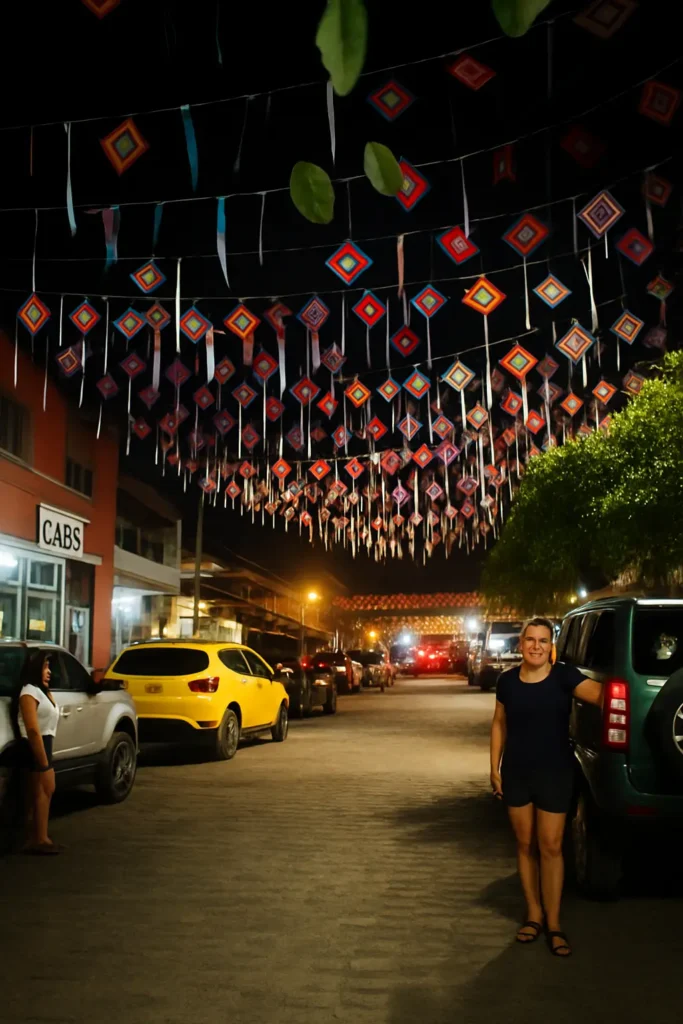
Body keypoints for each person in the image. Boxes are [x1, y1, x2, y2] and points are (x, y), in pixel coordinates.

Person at [489, 617, 602, 957]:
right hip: (518, 772)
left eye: (543, 640)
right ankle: (533, 913)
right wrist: (494, 768)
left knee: (551, 846)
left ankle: (554, 923)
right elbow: (498, 723)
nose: (536, 646)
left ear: (551, 645)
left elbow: (603, 696)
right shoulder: (507, 682)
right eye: (530, 640)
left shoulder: (564, 676)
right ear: (520, 644)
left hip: (555, 772)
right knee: (525, 845)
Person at [17, 651, 61, 855]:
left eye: (49, 667)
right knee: (42, 789)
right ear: (35, 668)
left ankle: (38, 837)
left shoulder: (41, 691)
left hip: (45, 743)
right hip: (35, 746)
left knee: (43, 791)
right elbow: (32, 729)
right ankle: (39, 838)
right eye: (45, 667)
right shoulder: (29, 692)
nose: (49, 671)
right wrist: (44, 764)